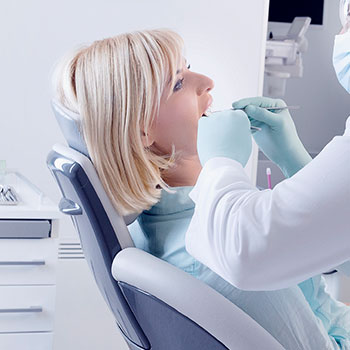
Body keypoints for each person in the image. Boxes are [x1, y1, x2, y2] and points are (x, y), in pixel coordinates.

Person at [52, 28, 350, 349]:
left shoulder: (164, 225)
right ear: (141, 132)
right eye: (178, 83)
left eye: (188, 66)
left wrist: (293, 161)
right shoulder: (218, 249)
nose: (207, 81)